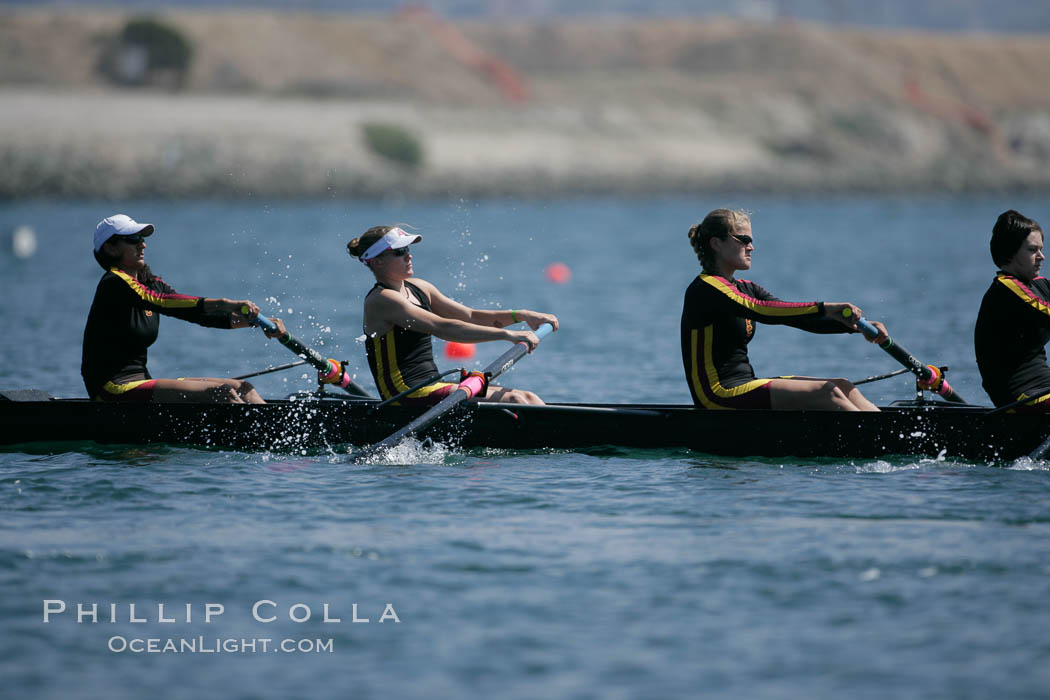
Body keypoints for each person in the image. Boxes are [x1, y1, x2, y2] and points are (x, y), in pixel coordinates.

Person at [681, 208, 889, 411]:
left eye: (751, 240)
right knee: (826, 391)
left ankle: (888, 437)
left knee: (844, 386)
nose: (751, 247)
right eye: (744, 240)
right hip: (717, 395)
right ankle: (875, 441)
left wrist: (856, 327)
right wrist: (825, 307)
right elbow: (761, 310)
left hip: (745, 384)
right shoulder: (706, 288)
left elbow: (799, 319)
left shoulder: (747, 288)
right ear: (716, 243)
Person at [81, 214, 286, 403]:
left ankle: (279, 436)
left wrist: (257, 322)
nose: (142, 244)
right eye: (133, 239)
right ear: (111, 248)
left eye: (143, 238)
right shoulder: (114, 283)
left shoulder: (152, 284)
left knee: (243, 388)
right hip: (112, 390)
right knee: (222, 394)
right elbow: (161, 301)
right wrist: (225, 303)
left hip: (141, 382)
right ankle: (258, 438)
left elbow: (197, 314)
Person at [346, 225, 558, 405]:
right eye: (399, 252)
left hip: (433, 384)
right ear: (376, 261)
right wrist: (508, 336)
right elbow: (443, 328)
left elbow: (470, 315)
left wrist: (522, 315)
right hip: (404, 394)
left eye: (408, 249)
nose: (409, 255)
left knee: (528, 397)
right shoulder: (381, 300)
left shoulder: (420, 287)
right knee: (515, 400)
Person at [974, 209, 1050, 411]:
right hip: (1021, 397)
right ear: (1011, 252)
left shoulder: (1039, 285)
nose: (1041, 257)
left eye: (1041, 249)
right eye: (1033, 250)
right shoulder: (1007, 289)